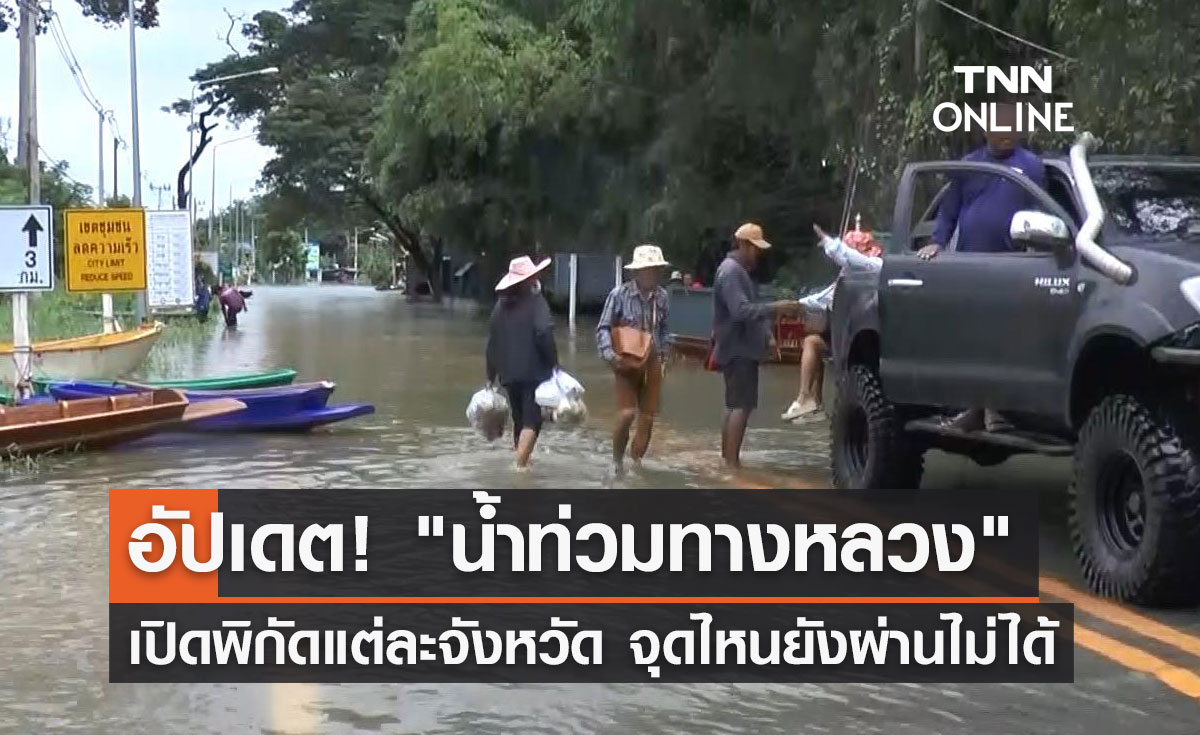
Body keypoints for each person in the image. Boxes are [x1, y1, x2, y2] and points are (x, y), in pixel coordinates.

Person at [917, 100, 1046, 433]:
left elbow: (1043, 212)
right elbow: (949, 211)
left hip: (1013, 265)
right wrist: (938, 241)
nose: (1007, 133)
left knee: (1002, 339)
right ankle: (976, 408)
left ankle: (994, 410)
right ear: (987, 129)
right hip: (972, 263)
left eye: (1012, 127)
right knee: (973, 339)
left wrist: (1039, 248)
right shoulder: (969, 164)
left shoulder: (1031, 165)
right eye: (1000, 126)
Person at [712, 223, 802, 468]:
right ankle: (732, 464)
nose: (757, 255)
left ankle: (727, 461)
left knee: (734, 405)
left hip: (737, 347)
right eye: (754, 249)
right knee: (741, 406)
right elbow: (741, 311)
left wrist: (767, 336)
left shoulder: (737, 271)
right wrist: (778, 308)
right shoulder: (731, 272)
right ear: (742, 245)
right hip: (738, 349)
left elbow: (749, 308)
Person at [782, 223, 883, 423]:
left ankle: (806, 397)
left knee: (812, 342)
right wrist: (796, 305)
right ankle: (812, 401)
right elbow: (825, 297)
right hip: (847, 338)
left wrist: (831, 243)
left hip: (865, 343)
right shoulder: (847, 277)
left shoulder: (876, 268)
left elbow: (854, 259)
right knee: (814, 341)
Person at [597, 244, 671, 471]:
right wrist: (611, 356)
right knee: (627, 414)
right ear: (637, 272)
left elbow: (664, 330)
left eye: (655, 269)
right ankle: (617, 462)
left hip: (653, 360)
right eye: (648, 269)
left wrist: (665, 356)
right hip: (625, 360)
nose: (652, 274)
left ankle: (636, 463)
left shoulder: (662, 296)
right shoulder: (619, 295)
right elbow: (603, 328)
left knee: (647, 417)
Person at [485, 255, 559, 469]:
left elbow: (492, 344)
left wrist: (490, 377)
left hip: (507, 374)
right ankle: (519, 467)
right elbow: (545, 333)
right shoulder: (536, 303)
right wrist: (555, 365)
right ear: (529, 279)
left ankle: (523, 459)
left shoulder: (499, 307)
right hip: (533, 373)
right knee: (532, 421)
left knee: (519, 419)